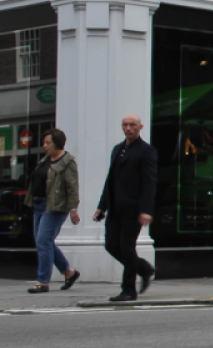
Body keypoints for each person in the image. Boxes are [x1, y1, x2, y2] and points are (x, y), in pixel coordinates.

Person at [93, 114, 158, 302]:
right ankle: (143, 269)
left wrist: (146, 209)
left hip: (133, 208)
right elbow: (110, 179)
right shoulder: (117, 150)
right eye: (125, 125)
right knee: (111, 245)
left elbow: (149, 182)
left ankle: (129, 290)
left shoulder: (146, 151)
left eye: (132, 125)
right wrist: (102, 206)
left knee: (126, 247)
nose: (128, 128)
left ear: (140, 127)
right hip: (115, 207)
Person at [23, 129, 82, 293]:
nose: (45, 146)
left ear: (58, 143)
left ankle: (43, 281)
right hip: (39, 205)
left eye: (48, 143)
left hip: (55, 207)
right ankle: (69, 272)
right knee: (43, 241)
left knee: (43, 240)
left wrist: (73, 209)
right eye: (44, 143)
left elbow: (72, 187)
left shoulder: (67, 161)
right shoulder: (45, 160)